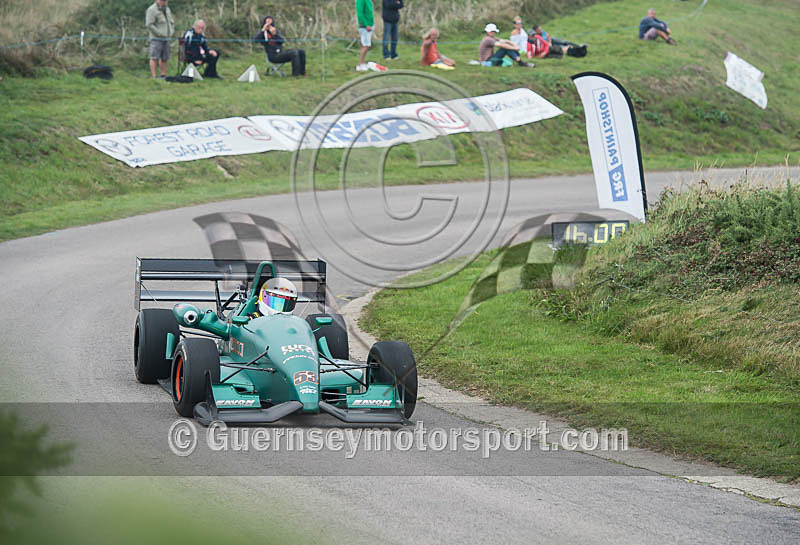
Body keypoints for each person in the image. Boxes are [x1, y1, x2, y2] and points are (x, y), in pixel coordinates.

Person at [145, 0, 174, 78]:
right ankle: (154, 76)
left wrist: (171, 31)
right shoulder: (151, 9)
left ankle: (163, 75)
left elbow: (171, 22)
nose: (164, 2)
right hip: (156, 38)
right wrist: (159, 33)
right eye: (162, 0)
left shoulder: (167, 9)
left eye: (165, 1)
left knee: (165, 57)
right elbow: (149, 24)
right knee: (154, 57)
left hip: (167, 38)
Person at [355, 0, 375, 71]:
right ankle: (361, 64)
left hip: (370, 25)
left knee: (366, 45)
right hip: (365, 27)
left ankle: (362, 63)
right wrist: (366, 25)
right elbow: (359, 14)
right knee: (366, 46)